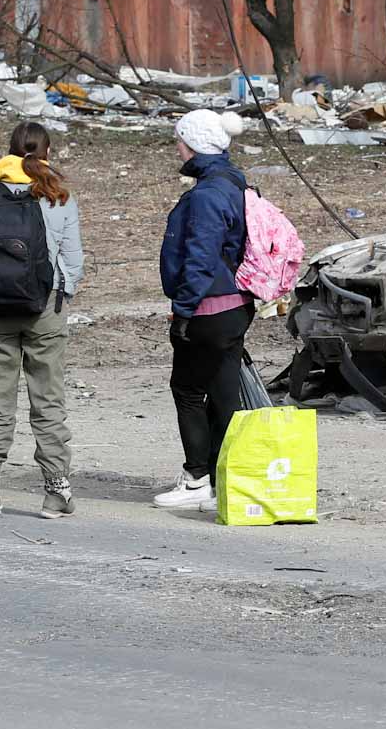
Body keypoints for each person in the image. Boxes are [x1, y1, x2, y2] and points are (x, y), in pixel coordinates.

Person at [0, 122, 85, 520]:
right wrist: (60, 295)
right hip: (45, 308)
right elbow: (72, 259)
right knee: (47, 399)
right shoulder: (58, 196)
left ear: (11, 152)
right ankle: (55, 491)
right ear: (46, 152)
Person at [152, 109, 252, 511]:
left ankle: (196, 479)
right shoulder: (232, 182)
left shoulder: (207, 194)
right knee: (223, 394)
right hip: (235, 305)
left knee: (188, 389)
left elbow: (200, 256)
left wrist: (184, 310)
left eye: (180, 140)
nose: (178, 147)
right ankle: (221, 479)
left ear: (193, 144)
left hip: (208, 308)